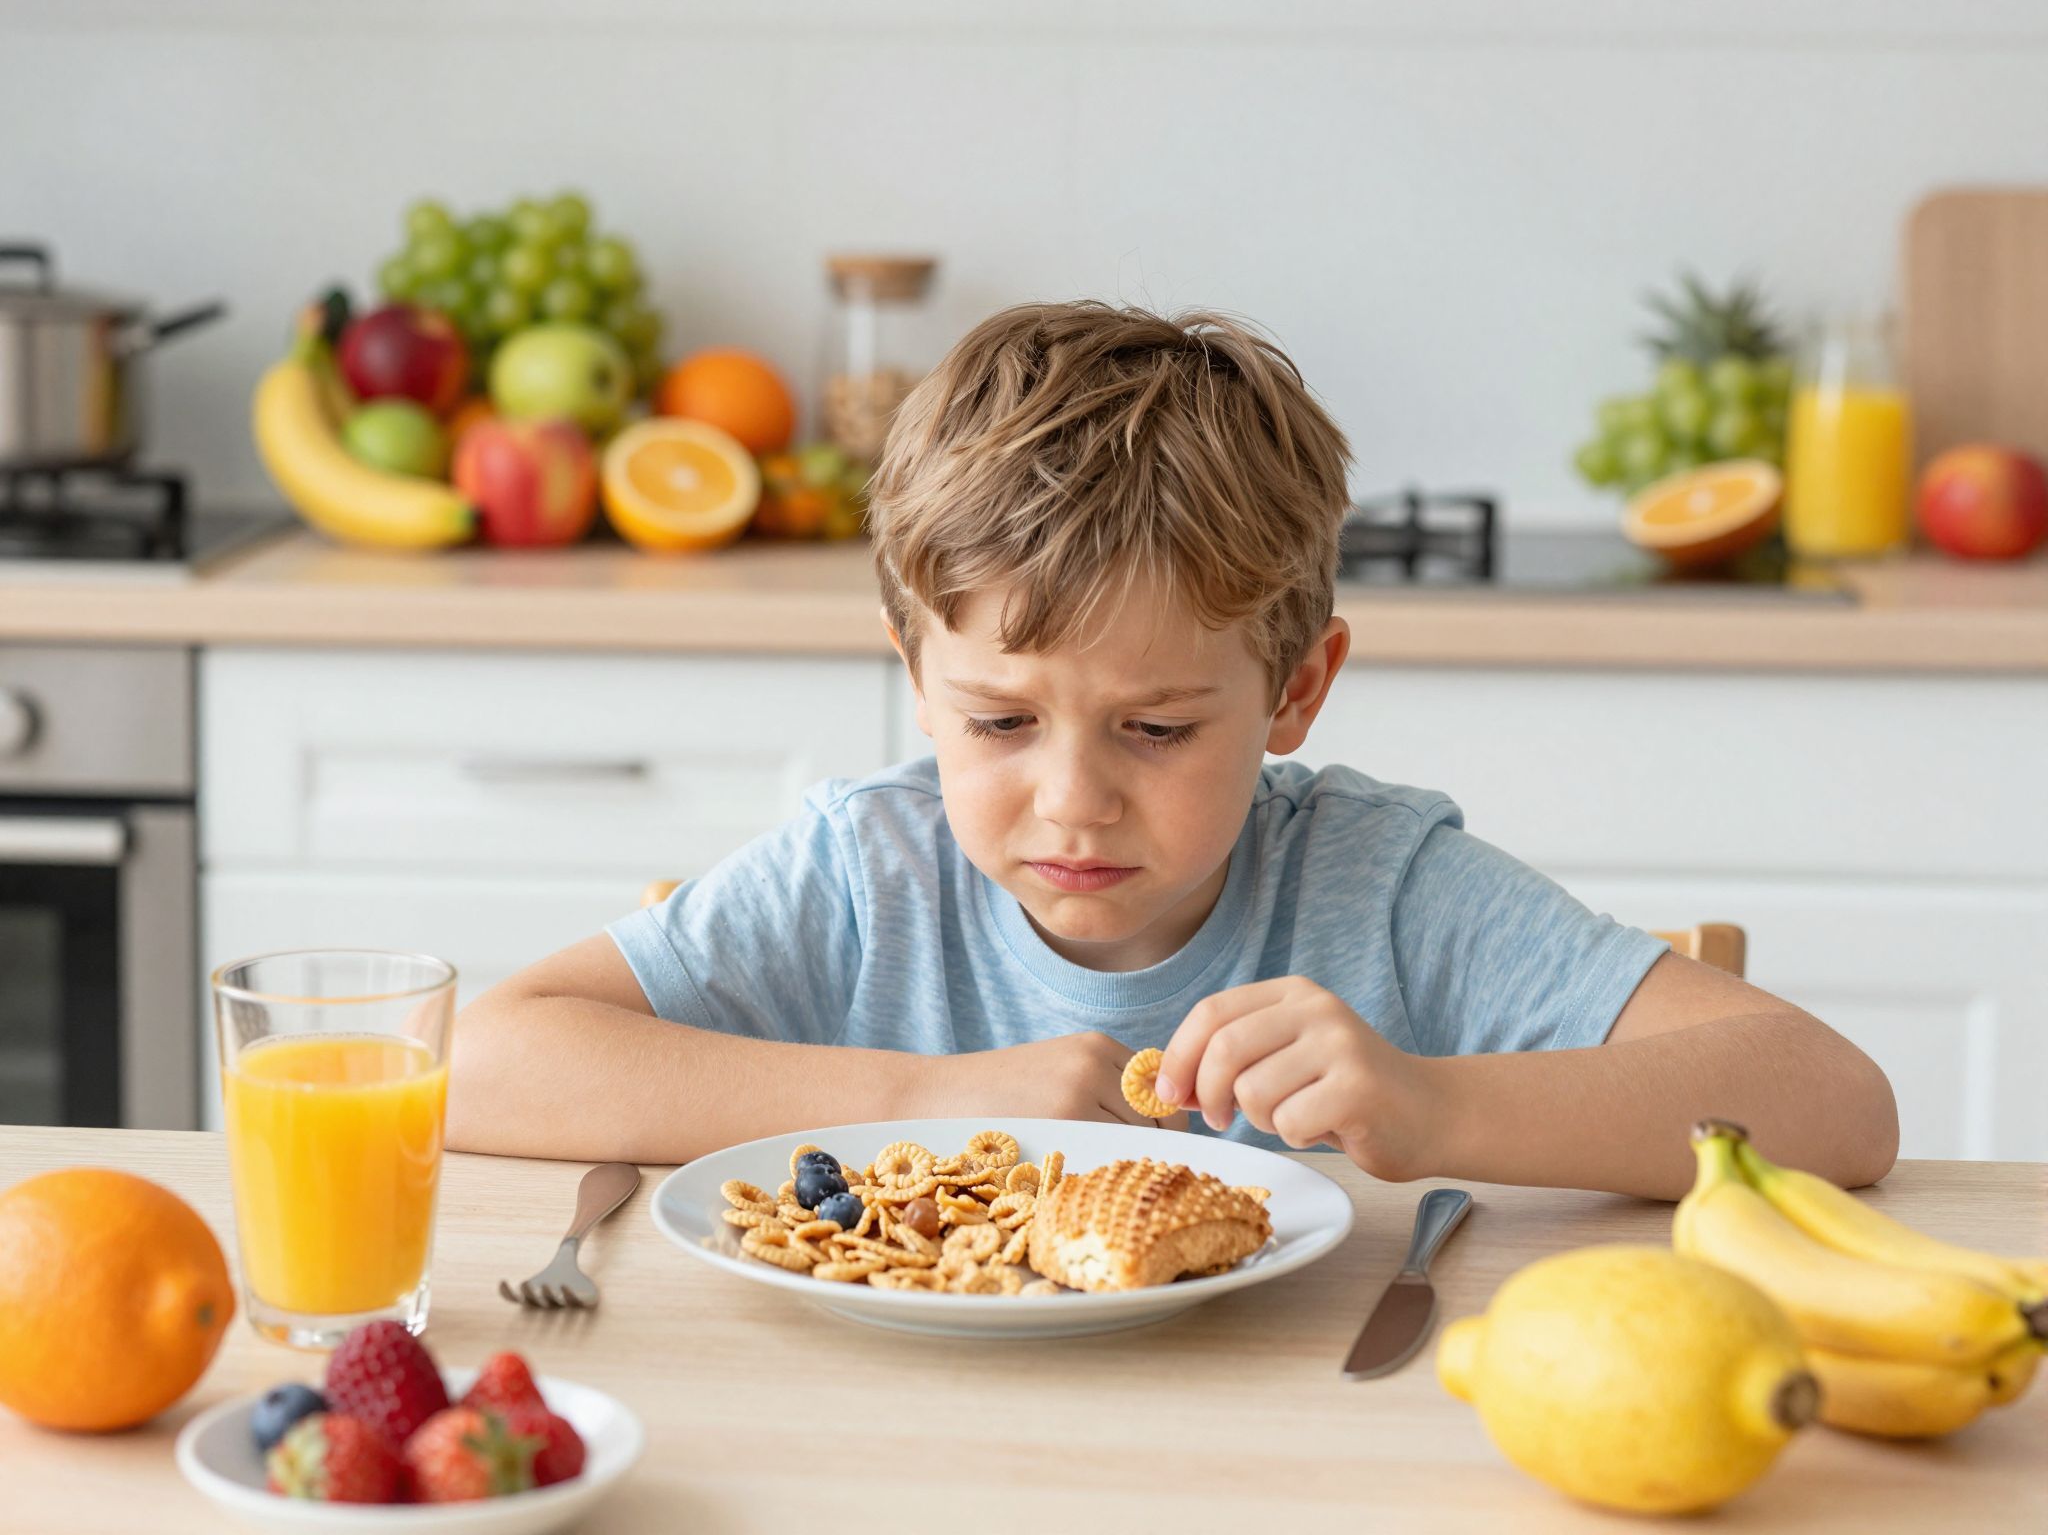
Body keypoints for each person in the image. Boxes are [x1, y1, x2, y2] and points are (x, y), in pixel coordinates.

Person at [449, 301, 1897, 1199]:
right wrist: (914, 1096)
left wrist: (1436, 1100)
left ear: (1295, 692)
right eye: (1000, 721)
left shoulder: (1378, 892)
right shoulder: (865, 873)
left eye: (1156, 728)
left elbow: (1837, 1103)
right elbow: (476, 1064)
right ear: (916, 679)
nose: (1072, 797)